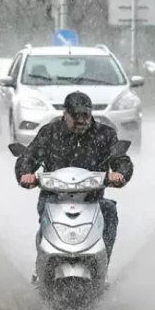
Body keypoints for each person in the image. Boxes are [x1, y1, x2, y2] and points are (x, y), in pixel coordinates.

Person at [15, 91, 134, 267]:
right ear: (65, 113)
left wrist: (121, 173)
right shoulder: (49, 132)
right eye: (75, 115)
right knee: (45, 211)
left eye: (85, 115)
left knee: (109, 211)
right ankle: (42, 264)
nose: (81, 120)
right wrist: (26, 174)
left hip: (92, 199)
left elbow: (121, 159)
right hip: (53, 197)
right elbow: (29, 157)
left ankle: (102, 265)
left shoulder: (105, 134)